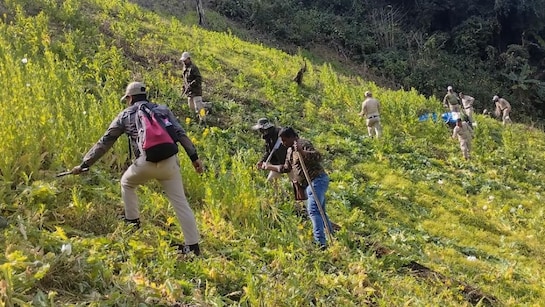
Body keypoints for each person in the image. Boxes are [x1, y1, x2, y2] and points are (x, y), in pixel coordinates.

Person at [71, 81, 204, 256]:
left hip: (144, 162)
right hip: (170, 163)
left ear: (130, 97)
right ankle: (192, 248)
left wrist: (85, 164)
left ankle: (132, 220)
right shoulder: (162, 110)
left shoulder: (125, 114)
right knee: (180, 203)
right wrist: (194, 159)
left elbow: (105, 142)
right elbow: (180, 134)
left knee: (126, 183)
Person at [262, 127, 334, 249]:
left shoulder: (303, 144)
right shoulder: (290, 151)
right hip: (308, 185)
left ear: (292, 137)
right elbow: (285, 168)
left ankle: (320, 242)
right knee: (320, 210)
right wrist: (268, 166)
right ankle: (331, 234)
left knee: (313, 210)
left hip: (317, 181)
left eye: (285, 140)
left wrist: (302, 152)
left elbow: (318, 156)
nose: (283, 143)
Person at [252, 118, 293, 182]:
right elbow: (268, 151)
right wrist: (262, 161)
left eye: (261, 130)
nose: (260, 132)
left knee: (296, 182)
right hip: (278, 163)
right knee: (271, 180)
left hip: (290, 162)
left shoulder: (280, 134)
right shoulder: (268, 138)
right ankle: (279, 192)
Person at [180, 51, 204, 122]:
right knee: (191, 108)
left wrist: (191, 84)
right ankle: (195, 120)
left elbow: (199, 79)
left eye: (185, 60)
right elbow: (185, 80)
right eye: (183, 60)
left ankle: (203, 121)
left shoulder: (193, 68)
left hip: (196, 91)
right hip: (189, 92)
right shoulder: (184, 69)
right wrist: (184, 87)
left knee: (199, 107)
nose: (184, 62)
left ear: (189, 59)